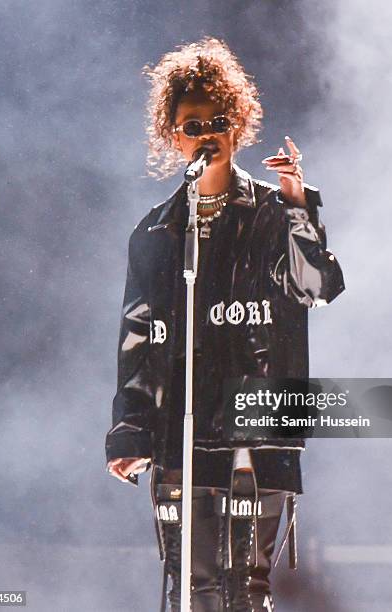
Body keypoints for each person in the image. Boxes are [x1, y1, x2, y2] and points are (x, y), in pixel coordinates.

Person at [105, 37, 344, 612]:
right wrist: (130, 431)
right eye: (193, 123)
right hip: (179, 431)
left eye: (218, 120)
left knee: (246, 592)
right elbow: (139, 336)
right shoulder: (157, 232)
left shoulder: (273, 212)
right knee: (192, 588)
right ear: (173, 134)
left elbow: (318, 288)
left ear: (238, 127)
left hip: (257, 423)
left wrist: (298, 206)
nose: (206, 132)